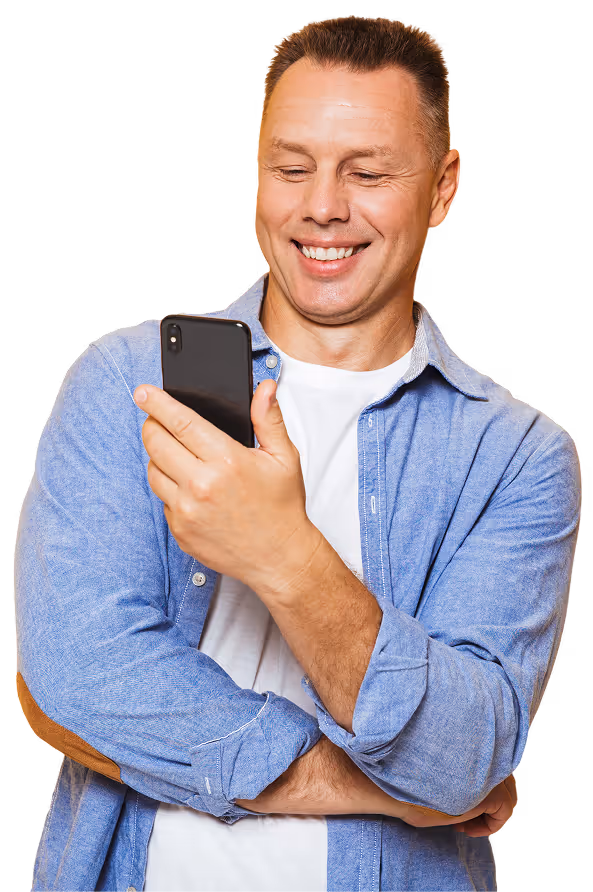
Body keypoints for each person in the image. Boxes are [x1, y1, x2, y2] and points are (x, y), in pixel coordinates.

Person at [15, 16, 581, 892]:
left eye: (367, 173)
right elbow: (74, 680)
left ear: (442, 188)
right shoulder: (126, 381)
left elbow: (464, 754)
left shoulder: (515, 456)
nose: (322, 206)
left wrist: (283, 555)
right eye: (290, 168)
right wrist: (377, 790)